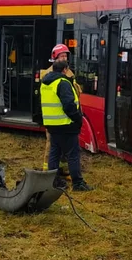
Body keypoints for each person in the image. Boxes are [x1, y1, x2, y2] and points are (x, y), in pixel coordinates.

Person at [41, 60, 92, 191]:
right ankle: (78, 183)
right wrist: (78, 119)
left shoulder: (45, 83)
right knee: (73, 154)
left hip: (52, 125)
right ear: (65, 69)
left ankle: (53, 181)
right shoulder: (62, 83)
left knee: (54, 153)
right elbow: (69, 105)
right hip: (66, 125)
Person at [38, 44, 74, 183]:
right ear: (54, 58)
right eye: (62, 56)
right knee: (51, 144)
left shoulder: (69, 72)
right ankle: (47, 171)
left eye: (66, 56)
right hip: (53, 116)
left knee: (64, 146)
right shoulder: (47, 74)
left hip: (65, 117)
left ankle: (62, 169)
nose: (65, 58)